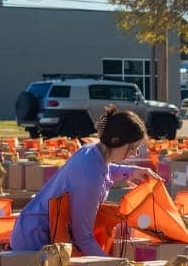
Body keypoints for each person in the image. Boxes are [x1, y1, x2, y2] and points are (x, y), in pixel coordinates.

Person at [12, 109, 161, 256]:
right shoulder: (90, 178)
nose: (134, 153)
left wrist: (133, 172)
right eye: (132, 148)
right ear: (116, 141)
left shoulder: (92, 151)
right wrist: (110, 264)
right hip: (34, 241)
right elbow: (83, 238)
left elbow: (105, 168)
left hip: (32, 227)